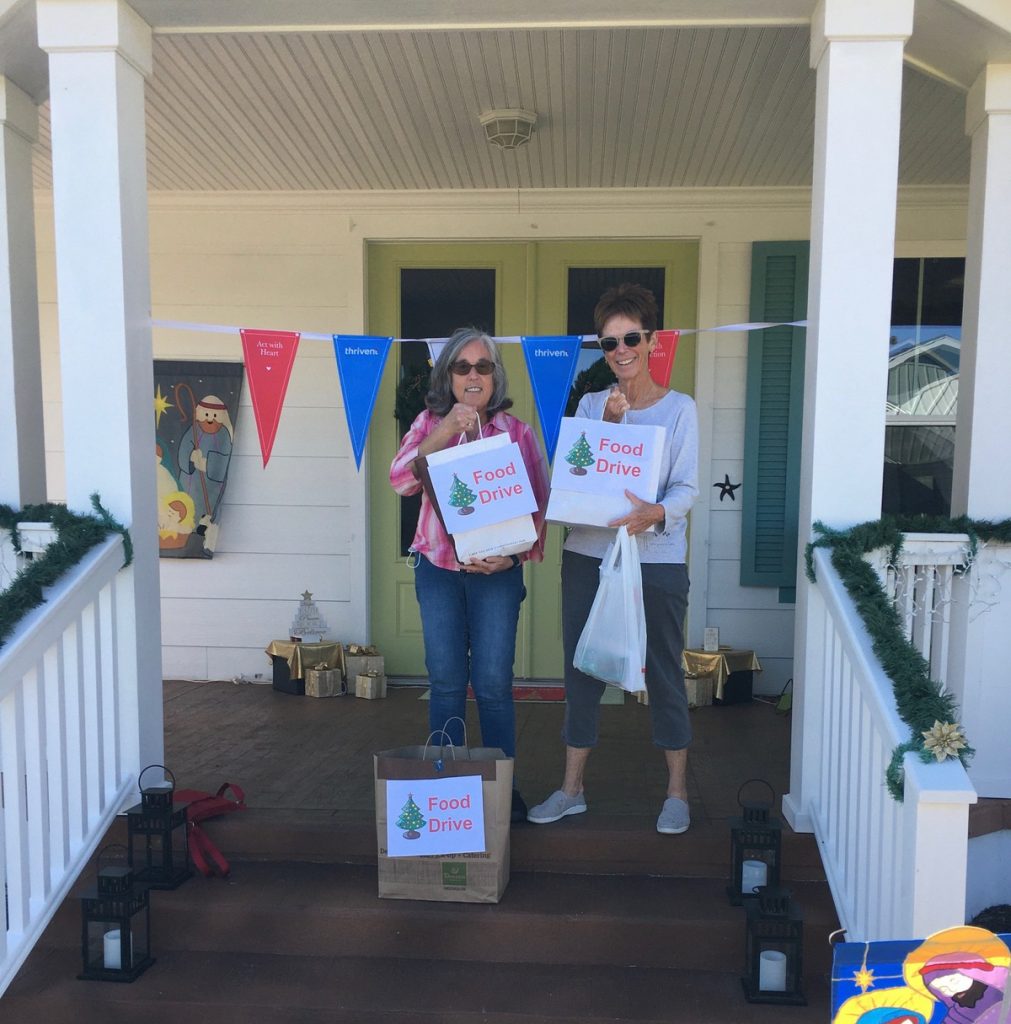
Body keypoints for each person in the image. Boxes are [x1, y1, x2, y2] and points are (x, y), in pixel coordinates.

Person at [527, 282, 699, 834]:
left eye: (630, 338)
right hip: (588, 555)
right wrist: (609, 425)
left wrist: (656, 513)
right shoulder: (591, 405)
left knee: (666, 670)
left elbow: (688, 489)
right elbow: (581, 473)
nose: (621, 350)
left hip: (657, 559)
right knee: (582, 669)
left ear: (651, 341)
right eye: (608, 343)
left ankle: (676, 792)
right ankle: (571, 788)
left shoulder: (680, 411)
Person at [390, 327, 549, 823]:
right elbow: (399, 480)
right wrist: (445, 432)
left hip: (497, 574)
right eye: (463, 367)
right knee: (445, 683)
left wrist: (514, 556)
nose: (474, 375)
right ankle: (448, 791)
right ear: (449, 376)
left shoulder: (516, 432)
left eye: (483, 366)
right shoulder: (426, 423)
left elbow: (540, 506)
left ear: (495, 376)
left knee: (495, 685)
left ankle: (503, 790)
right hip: (438, 569)